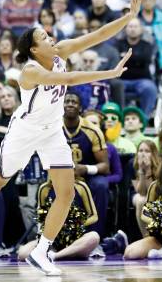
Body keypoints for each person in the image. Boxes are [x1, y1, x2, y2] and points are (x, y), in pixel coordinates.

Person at [0, 0, 140, 276]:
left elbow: (96, 35)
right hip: (24, 131)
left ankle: (42, 250)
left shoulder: (59, 51)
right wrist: (110, 72)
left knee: (66, 191)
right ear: (34, 49)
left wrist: (127, 18)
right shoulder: (30, 71)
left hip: (52, 130)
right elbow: (70, 80)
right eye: (43, 37)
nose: (50, 37)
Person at [62, 92, 110, 238]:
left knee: (101, 185)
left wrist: (85, 169)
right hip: (59, 175)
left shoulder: (93, 130)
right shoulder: (52, 128)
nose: (70, 104)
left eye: (74, 102)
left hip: (87, 175)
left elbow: (105, 166)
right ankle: (49, 238)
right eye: (67, 101)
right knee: (42, 187)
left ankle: (96, 237)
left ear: (80, 108)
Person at [17, 179, 99, 261]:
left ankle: (55, 256)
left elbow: (94, 216)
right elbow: (41, 217)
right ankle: (61, 254)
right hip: (54, 239)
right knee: (22, 253)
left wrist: (73, 225)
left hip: (77, 238)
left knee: (94, 237)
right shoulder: (44, 188)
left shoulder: (80, 186)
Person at [115, 18, 158, 115]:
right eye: (130, 26)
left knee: (150, 88)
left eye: (135, 26)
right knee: (112, 86)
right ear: (125, 29)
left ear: (141, 29)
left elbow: (146, 59)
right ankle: (119, 118)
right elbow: (116, 60)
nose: (132, 29)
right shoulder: (118, 44)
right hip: (121, 80)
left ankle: (144, 118)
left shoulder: (147, 44)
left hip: (142, 80)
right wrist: (137, 58)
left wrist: (125, 56)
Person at [131, 139, 160, 237]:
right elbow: (142, 192)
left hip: (158, 195)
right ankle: (146, 237)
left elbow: (153, 192)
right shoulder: (133, 165)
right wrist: (142, 171)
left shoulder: (160, 165)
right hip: (139, 195)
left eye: (147, 151)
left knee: (146, 201)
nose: (143, 154)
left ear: (153, 153)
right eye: (141, 151)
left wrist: (148, 169)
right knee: (141, 200)